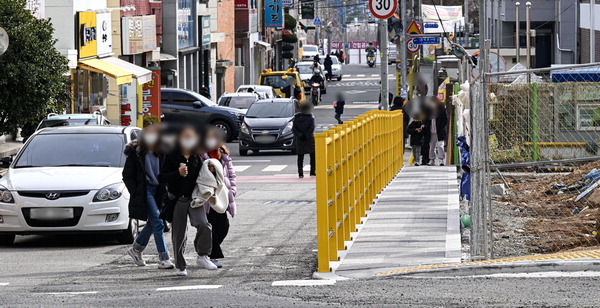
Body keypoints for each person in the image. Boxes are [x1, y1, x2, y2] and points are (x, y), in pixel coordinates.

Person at [159, 126, 216, 276]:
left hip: (195, 199)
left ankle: (203, 255)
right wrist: (177, 173)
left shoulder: (197, 157)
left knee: (204, 225)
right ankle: (180, 266)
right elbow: (162, 177)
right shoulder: (172, 156)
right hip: (177, 199)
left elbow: (204, 175)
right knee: (179, 234)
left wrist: (212, 170)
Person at [123, 124, 175, 270]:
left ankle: (136, 249)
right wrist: (136, 192)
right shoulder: (137, 152)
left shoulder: (162, 151)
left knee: (154, 222)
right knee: (158, 222)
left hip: (159, 190)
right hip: (145, 190)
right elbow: (127, 175)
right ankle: (164, 258)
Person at [201, 127, 237, 269]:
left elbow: (232, 175)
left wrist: (232, 191)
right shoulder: (201, 155)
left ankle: (207, 251)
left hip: (222, 197)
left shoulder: (224, 155)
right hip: (208, 198)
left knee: (223, 226)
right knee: (210, 227)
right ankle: (213, 255)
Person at [292, 103, 316, 178]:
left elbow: (294, 129)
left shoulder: (296, 118)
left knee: (300, 156)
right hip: (309, 139)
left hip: (300, 140)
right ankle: (312, 171)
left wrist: (300, 135)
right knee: (312, 155)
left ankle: (300, 172)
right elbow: (312, 128)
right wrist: (307, 135)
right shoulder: (310, 118)